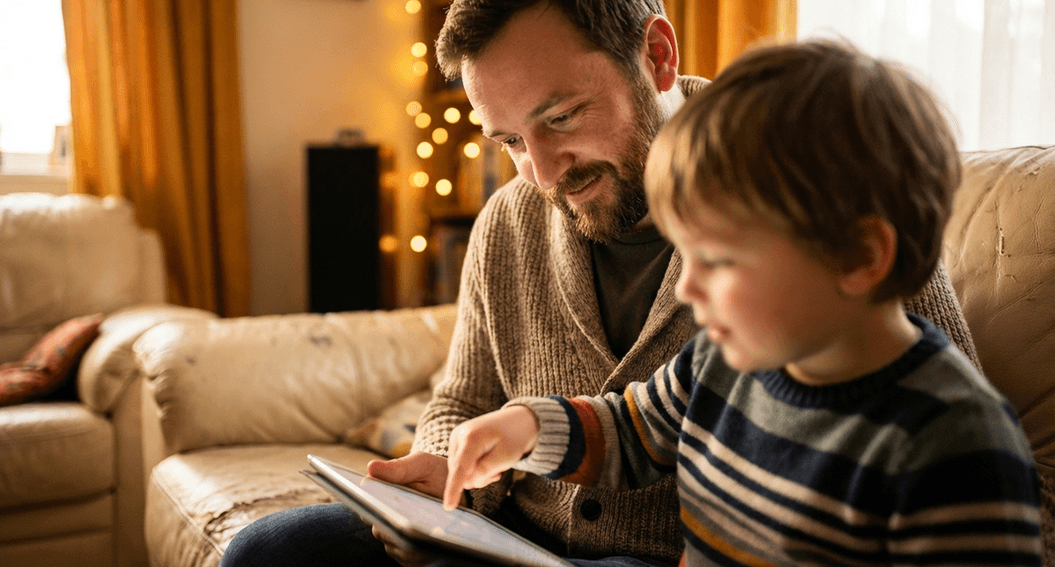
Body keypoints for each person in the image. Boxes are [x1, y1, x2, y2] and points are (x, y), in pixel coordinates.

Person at [221, 3, 983, 566]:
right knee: (270, 552)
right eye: (511, 140)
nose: (542, 173)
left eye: (561, 117)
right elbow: (475, 399)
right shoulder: (510, 220)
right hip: (507, 541)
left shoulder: (796, 177)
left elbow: (942, 413)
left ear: (654, 54)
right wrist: (448, 478)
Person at [441, 38, 1044, 566]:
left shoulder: (954, 445)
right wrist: (524, 428)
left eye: (720, 260)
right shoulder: (719, 362)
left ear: (860, 258)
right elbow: (628, 429)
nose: (686, 287)